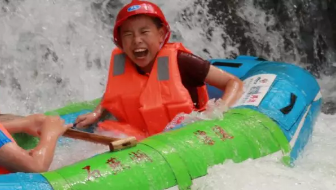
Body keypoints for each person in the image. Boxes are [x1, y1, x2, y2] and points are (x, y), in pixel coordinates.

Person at [74, 0, 244, 140]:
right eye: (128, 34)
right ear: (120, 41)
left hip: (185, 134)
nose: (137, 40)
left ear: (161, 34)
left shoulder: (182, 62)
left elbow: (233, 82)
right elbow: (114, 94)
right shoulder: (122, 65)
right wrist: (97, 112)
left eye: (144, 32)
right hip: (143, 136)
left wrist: (219, 111)